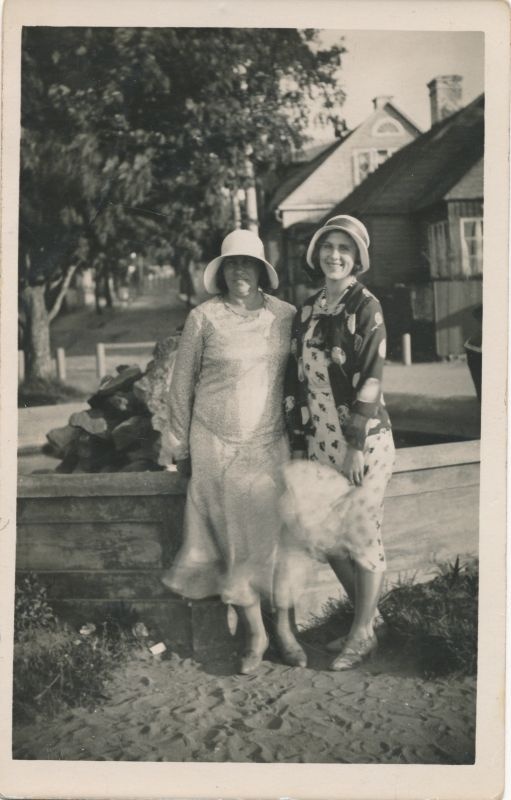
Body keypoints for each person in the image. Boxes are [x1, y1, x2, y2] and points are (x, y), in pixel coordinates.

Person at [161, 229, 305, 674]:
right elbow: (180, 386)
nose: (240, 270)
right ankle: (255, 634)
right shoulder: (204, 317)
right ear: (221, 271)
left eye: (248, 263)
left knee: (278, 538)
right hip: (215, 443)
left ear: (263, 271)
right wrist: (179, 446)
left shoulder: (287, 315)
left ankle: (284, 630)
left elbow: (305, 377)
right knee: (233, 540)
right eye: (232, 263)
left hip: (270, 441)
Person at [283, 215, 395, 671]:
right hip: (319, 444)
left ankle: (361, 632)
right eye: (328, 246)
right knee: (326, 539)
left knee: (363, 536)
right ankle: (371, 620)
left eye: (344, 249)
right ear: (316, 254)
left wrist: (353, 445)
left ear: (357, 258)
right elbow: (295, 381)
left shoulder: (366, 306)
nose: (335, 255)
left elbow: (371, 377)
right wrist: (297, 446)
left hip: (363, 442)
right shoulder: (306, 311)